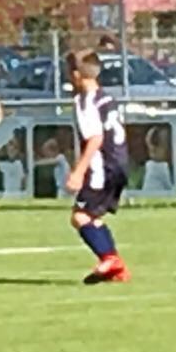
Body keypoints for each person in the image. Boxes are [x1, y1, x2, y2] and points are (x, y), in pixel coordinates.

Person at [65, 51, 130, 284]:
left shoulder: (85, 101)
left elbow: (95, 138)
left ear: (76, 75)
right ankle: (117, 268)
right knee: (93, 216)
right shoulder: (107, 98)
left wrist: (78, 172)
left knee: (80, 216)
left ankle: (110, 259)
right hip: (120, 164)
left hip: (101, 167)